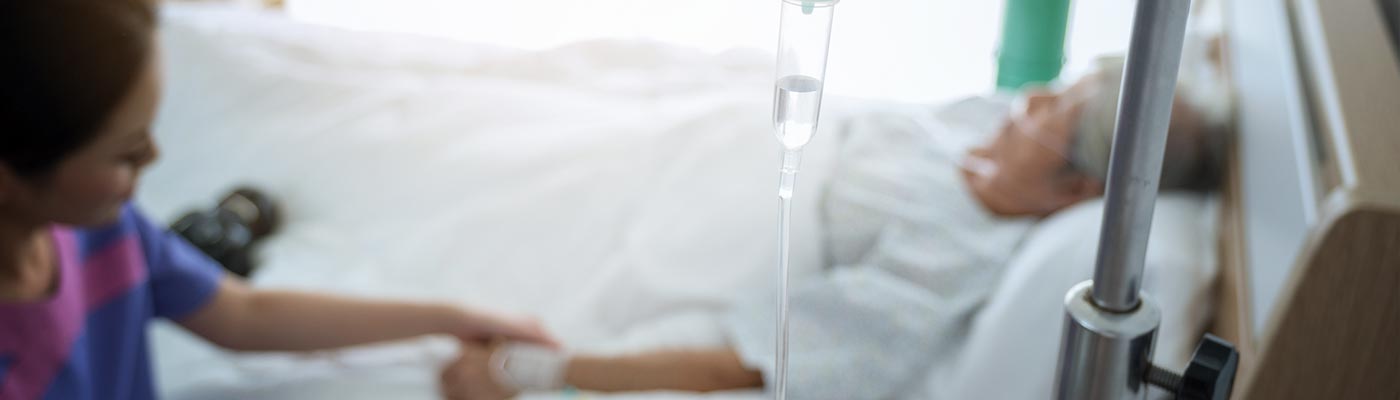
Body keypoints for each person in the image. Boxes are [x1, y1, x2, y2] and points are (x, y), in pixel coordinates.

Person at [437, 56, 1229, 399]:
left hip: (683, 216)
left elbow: (749, 364)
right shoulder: (980, 131)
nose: (1029, 97)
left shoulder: (942, 270)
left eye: (1054, 108)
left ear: (1080, 190)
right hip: (677, 134)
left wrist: (528, 374)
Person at [0, 1, 556, 398]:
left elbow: (244, 315)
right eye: (126, 152)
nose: (155, 158)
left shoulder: (107, 231)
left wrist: (451, 316)